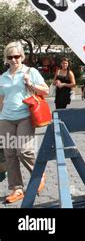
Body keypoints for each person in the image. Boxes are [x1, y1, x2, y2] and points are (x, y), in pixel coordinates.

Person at [0, 41, 48, 203]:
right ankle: (17, 189)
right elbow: (1, 100)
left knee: (24, 151)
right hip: (6, 118)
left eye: (17, 56)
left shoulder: (30, 71)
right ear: (6, 59)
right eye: (10, 57)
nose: (14, 59)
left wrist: (30, 83)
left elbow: (46, 91)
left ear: (22, 56)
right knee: (10, 154)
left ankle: (39, 174)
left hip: (25, 117)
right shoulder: (3, 77)